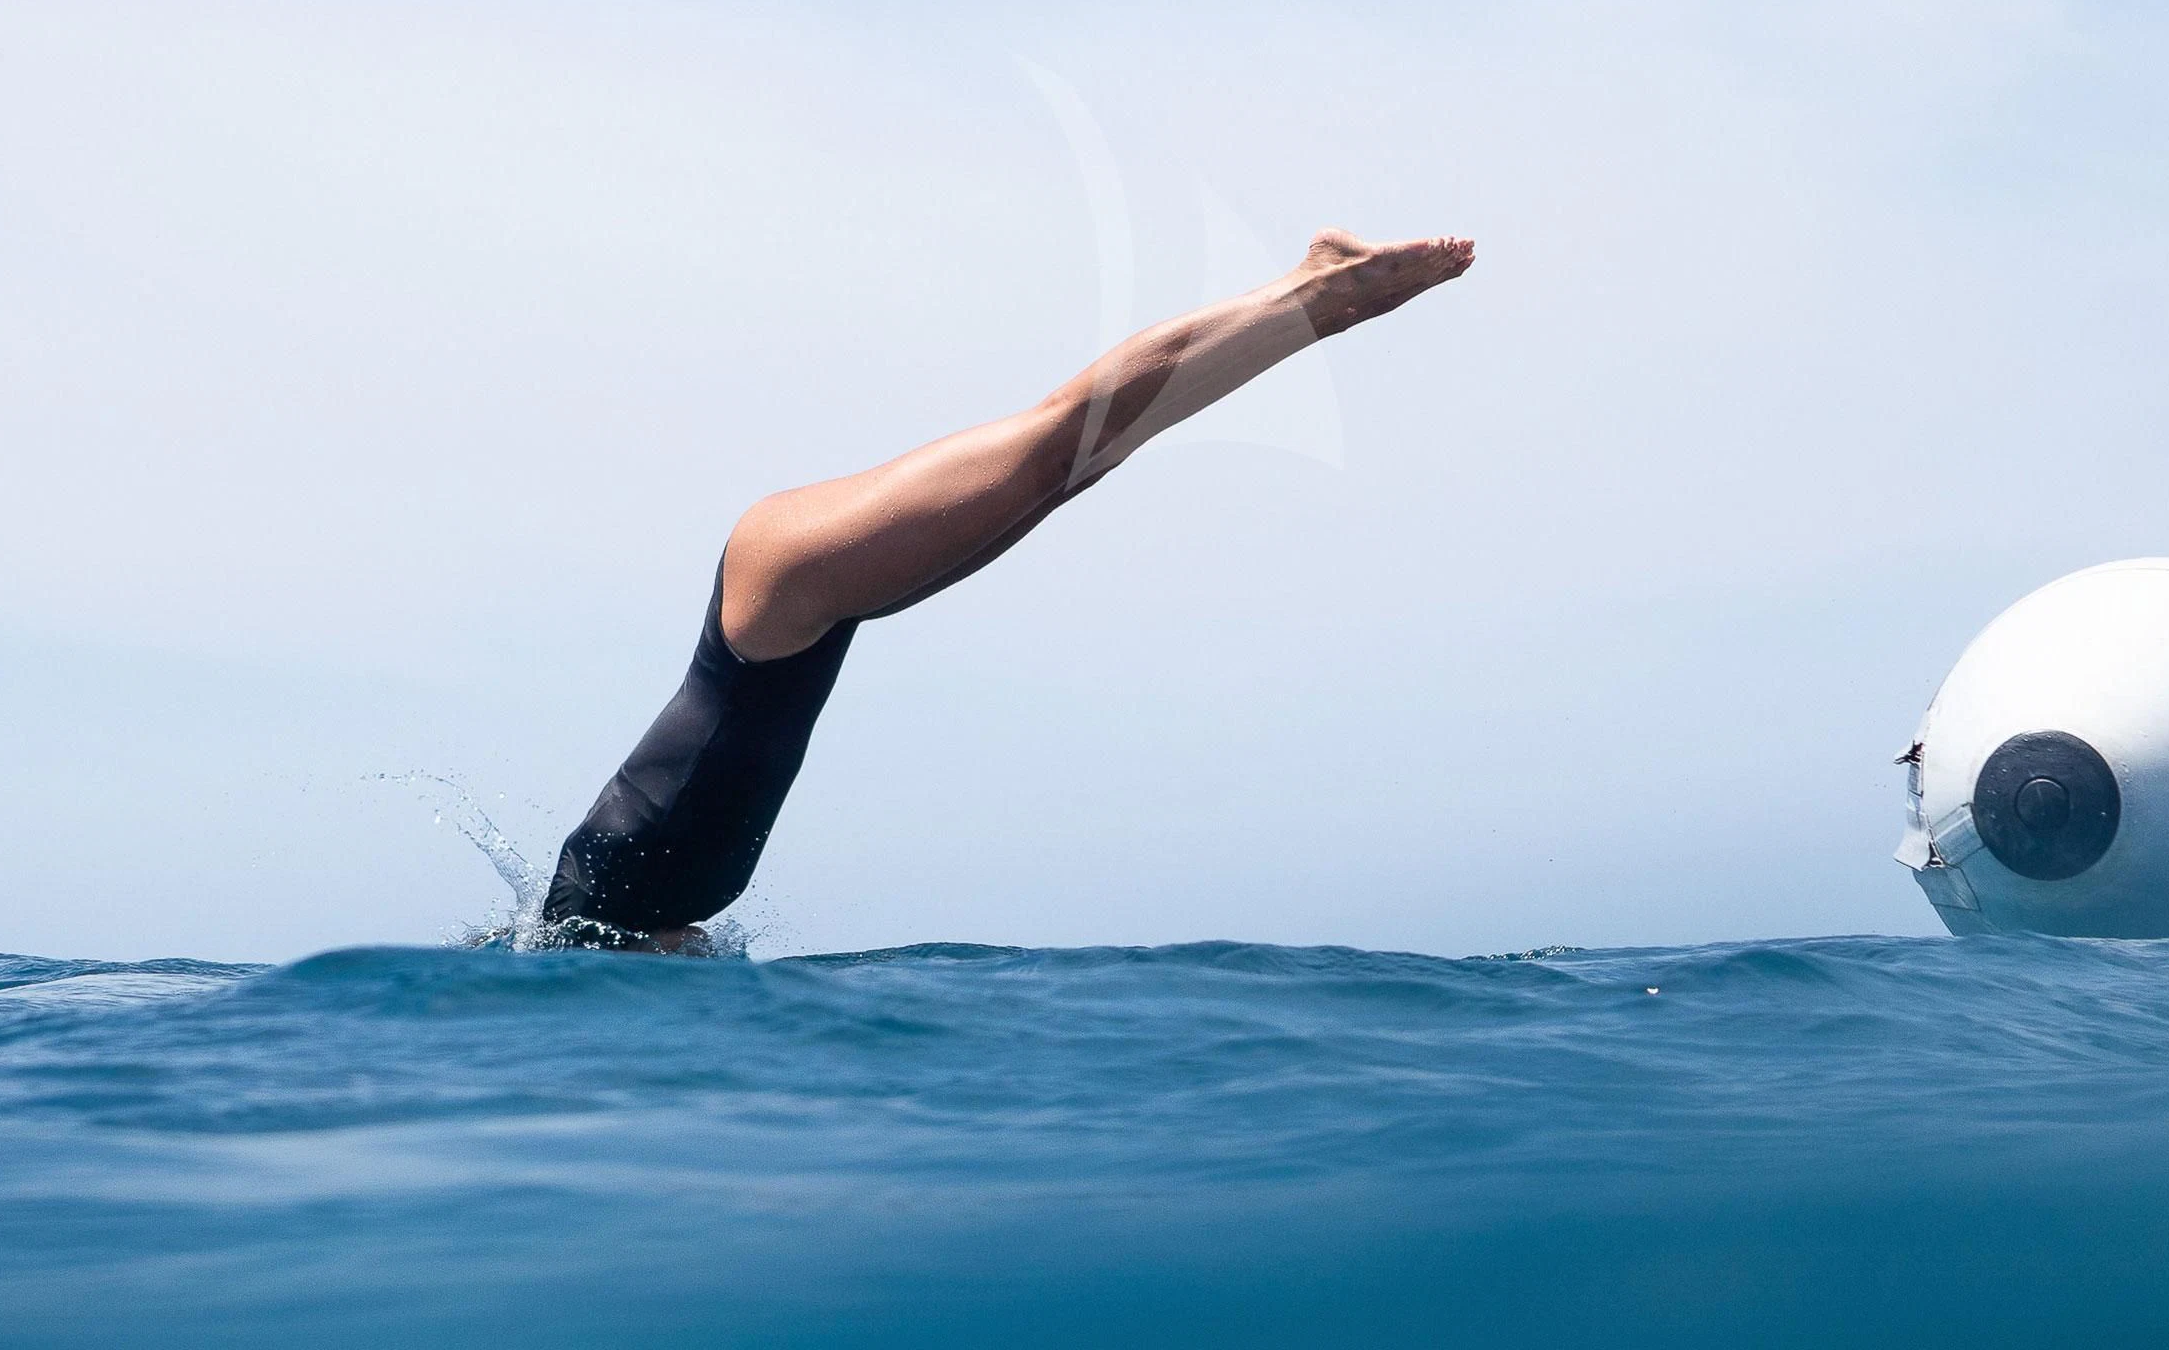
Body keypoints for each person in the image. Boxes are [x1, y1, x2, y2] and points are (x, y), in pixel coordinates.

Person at [535, 227, 1476, 951]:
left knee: (1058, 446)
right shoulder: (634, 902)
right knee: (1075, 462)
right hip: (783, 611)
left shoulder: (613, 920)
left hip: (777, 604)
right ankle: (1303, 284)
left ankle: (1323, 298)